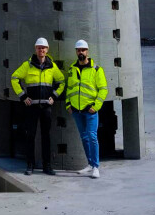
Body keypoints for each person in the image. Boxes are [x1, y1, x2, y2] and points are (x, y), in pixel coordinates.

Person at [11, 37, 65, 175]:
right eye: (39, 48)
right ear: (36, 49)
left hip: (46, 107)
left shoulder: (52, 66)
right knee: (30, 136)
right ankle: (30, 165)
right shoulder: (28, 65)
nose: (41, 50)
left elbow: (61, 81)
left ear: (47, 50)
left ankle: (47, 166)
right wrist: (23, 96)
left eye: (43, 48)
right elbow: (14, 78)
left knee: (46, 136)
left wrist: (54, 96)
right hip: (32, 107)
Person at [66, 39, 108, 178]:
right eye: (78, 50)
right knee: (84, 137)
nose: (81, 52)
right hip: (76, 110)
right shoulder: (72, 69)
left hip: (90, 109)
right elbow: (69, 88)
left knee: (92, 136)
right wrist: (68, 104)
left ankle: (96, 166)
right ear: (76, 52)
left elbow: (103, 90)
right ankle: (89, 164)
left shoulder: (96, 69)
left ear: (87, 51)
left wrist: (96, 106)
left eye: (83, 50)